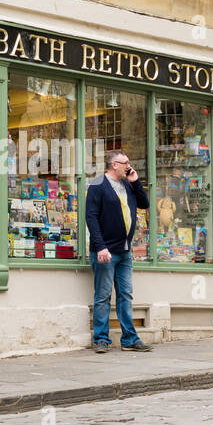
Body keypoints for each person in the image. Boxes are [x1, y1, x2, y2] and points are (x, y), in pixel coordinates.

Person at [85, 149, 151, 352]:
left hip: (124, 251)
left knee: (125, 295)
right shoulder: (98, 185)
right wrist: (101, 246)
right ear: (114, 164)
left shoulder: (127, 185)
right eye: (125, 163)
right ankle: (101, 339)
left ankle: (129, 339)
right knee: (103, 296)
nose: (129, 166)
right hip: (106, 251)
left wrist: (136, 181)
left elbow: (144, 203)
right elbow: (91, 217)